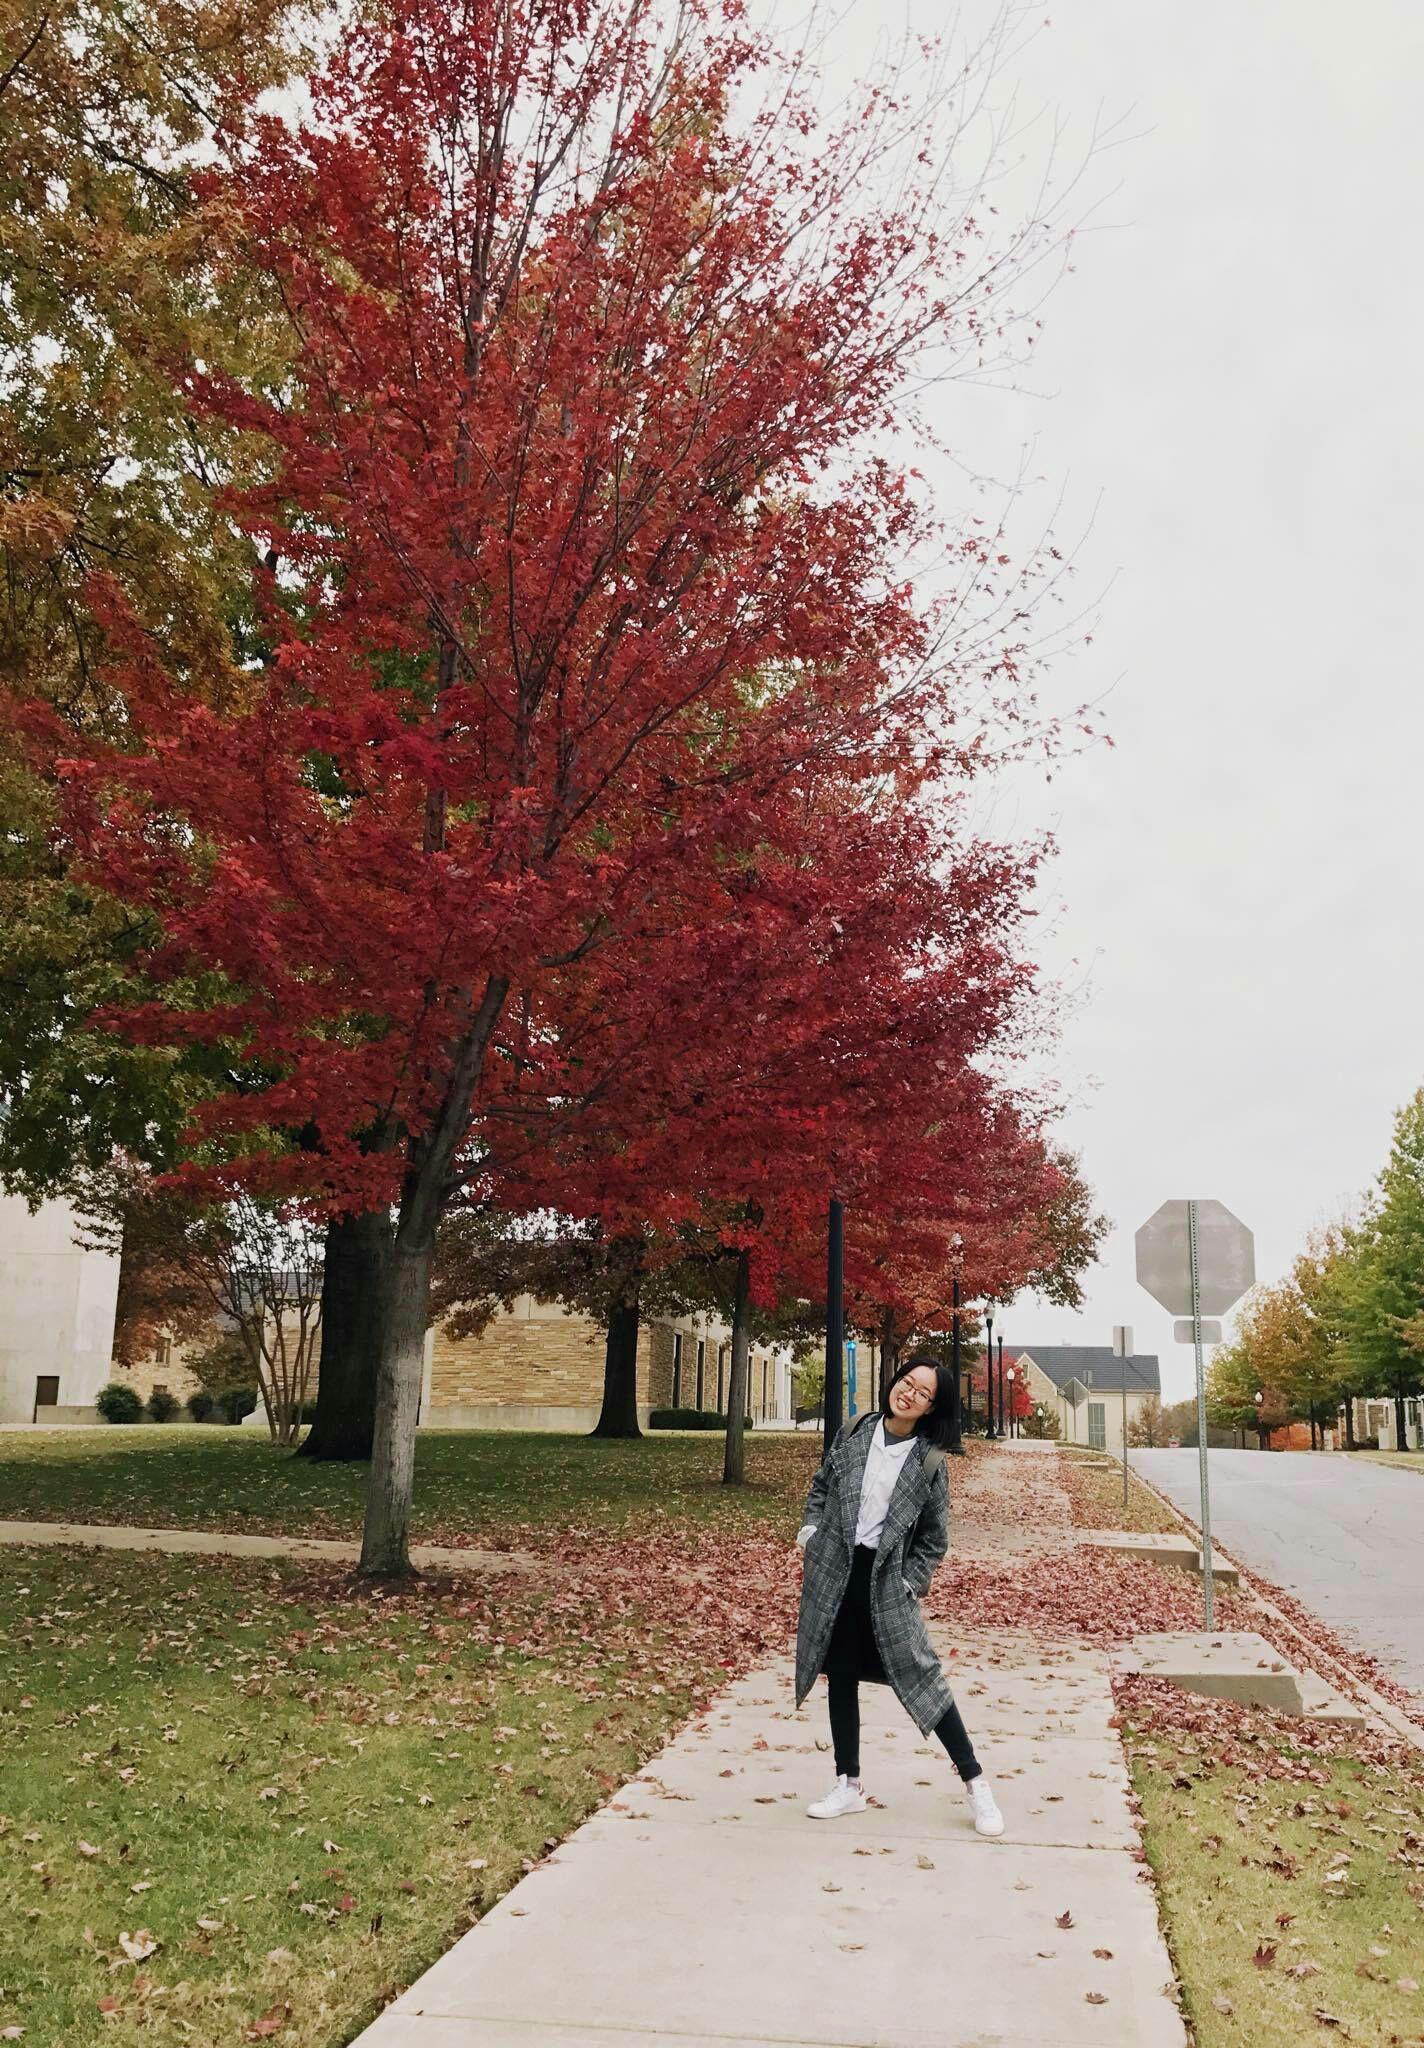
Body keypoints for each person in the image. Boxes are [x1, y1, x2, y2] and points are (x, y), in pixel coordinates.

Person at [793, 1352, 1004, 1837]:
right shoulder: (855, 1431)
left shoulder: (928, 1461)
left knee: (924, 1678)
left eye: (922, 1392)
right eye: (907, 1382)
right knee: (840, 1672)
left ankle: (977, 1785)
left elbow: (934, 1538)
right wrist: (811, 1527)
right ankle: (848, 1784)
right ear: (895, 1382)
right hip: (837, 1569)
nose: (909, 1393)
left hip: (886, 1580)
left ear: (931, 1408)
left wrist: (911, 1579)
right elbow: (822, 1485)